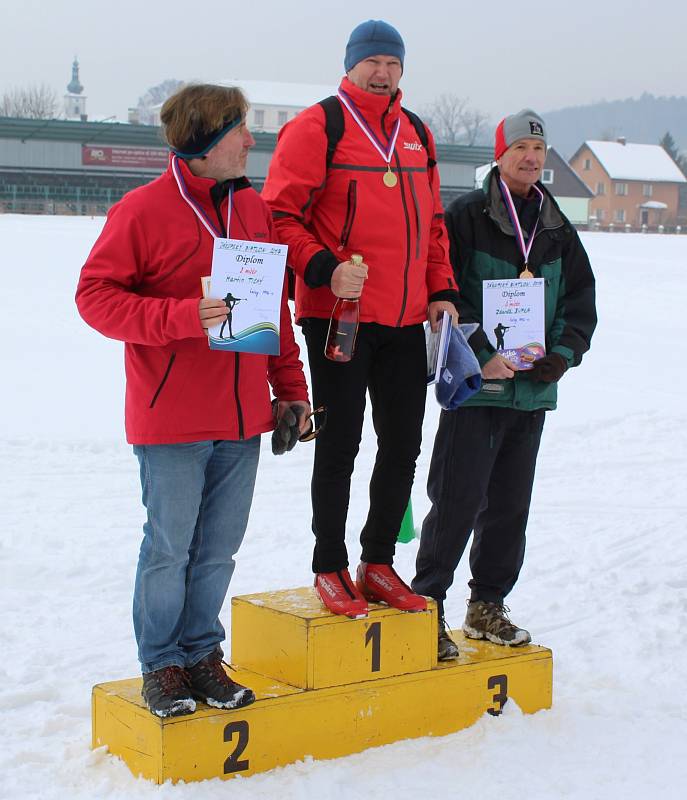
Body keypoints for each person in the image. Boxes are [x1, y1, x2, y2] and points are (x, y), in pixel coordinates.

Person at [75, 84, 310, 717]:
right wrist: (182, 315)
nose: (251, 141)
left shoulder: (252, 211)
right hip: (171, 418)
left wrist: (290, 390)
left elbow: (275, 314)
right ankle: (162, 666)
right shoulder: (142, 211)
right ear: (206, 138)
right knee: (169, 548)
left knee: (217, 550)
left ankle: (202, 655)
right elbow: (94, 298)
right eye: (240, 129)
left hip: (241, 420)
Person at [262, 20, 459, 619]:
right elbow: (276, 216)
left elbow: (432, 227)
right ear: (349, 66)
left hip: (402, 321)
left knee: (402, 445)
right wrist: (321, 266)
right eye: (371, 62)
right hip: (337, 318)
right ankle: (329, 564)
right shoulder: (317, 126)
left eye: (392, 64)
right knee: (341, 444)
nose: (382, 72)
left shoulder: (417, 133)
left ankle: (378, 562)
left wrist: (441, 290)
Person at [412, 109, 597, 660]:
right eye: (520, 147)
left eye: (539, 150)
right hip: (477, 389)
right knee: (456, 499)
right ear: (499, 154)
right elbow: (444, 289)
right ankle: (428, 608)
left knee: (511, 505)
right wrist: (483, 357)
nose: (531, 158)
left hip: (530, 393)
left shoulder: (557, 225)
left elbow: (580, 303)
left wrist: (560, 357)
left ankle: (487, 604)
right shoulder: (467, 215)